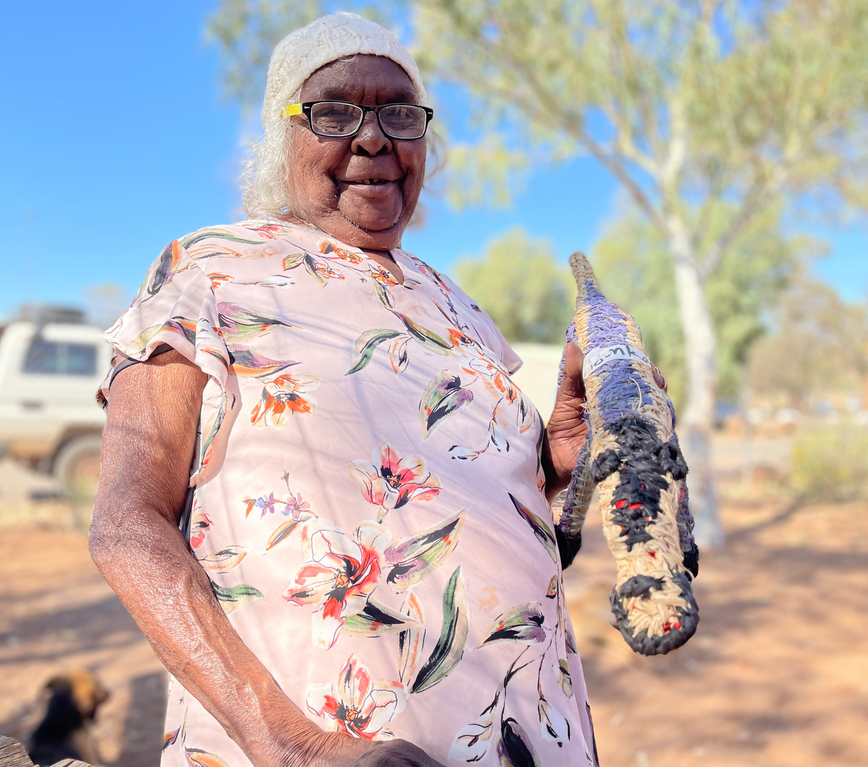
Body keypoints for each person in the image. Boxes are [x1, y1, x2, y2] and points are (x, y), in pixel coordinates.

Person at [91, 12, 661, 766]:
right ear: (280, 134)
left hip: (528, 729)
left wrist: (560, 464)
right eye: (334, 111)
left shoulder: (455, 305)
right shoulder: (211, 271)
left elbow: (515, 531)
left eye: (399, 112)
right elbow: (126, 526)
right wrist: (295, 747)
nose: (373, 138)